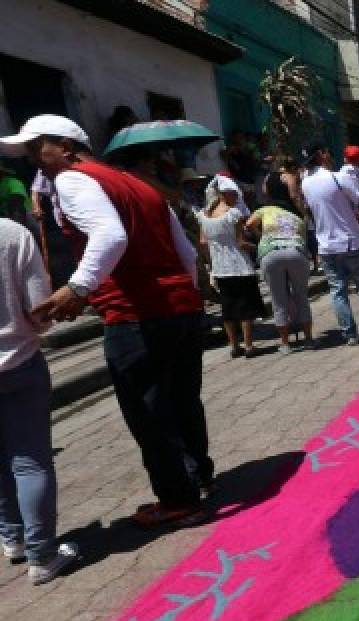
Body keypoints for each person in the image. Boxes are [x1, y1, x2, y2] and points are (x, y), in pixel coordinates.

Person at [5, 114, 213, 528]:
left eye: (36, 149)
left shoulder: (72, 179)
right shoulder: (141, 184)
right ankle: (198, 476)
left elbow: (110, 235)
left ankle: (178, 499)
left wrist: (77, 288)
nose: (33, 161)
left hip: (137, 315)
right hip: (179, 308)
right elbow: (187, 254)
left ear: (64, 147)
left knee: (148, 411)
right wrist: (185, 298)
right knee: (183, 400)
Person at [0, 219, 80, 583]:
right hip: (18, 362)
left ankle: (12, 537)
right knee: (30, 460)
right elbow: (40, 310)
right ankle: (42, 554)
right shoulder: (13, 235)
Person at [300, 141, 359, 344]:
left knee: (338, 291)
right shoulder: (338, 178)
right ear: (322, 155)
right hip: (349, 242)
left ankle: (349, 334)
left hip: (325, 245)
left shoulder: (305, 183)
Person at [198, 177, 265, 358]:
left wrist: (211, 260)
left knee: (228, 308)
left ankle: (234, 346)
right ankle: (249, 346)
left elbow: (203, 241)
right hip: (239, 265)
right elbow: (241, 242)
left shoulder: (203, 215)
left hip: (219, 267)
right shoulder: (232, 214)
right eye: (233, 194)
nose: (236, 197)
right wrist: (259, 246)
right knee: (245, 306)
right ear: (222, 194)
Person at [245, 200, 314, 354]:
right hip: (296, 251)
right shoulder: (296, 218)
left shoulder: (265, 209)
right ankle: (309, 339)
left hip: (270, 252)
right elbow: (303, 241)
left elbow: (249, 225)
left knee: (278, 299)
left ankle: (285, 344)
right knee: (301, 296)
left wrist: (261, 236)